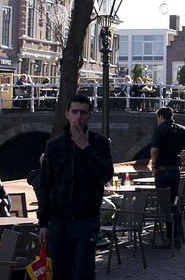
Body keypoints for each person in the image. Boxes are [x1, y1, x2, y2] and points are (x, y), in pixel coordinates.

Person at [38, 94, 113, 279]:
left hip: (86, 218)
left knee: (84, 271)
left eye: (83, 113)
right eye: (74, 112)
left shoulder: (100, 143)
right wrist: (43, 223)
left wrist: (86, 147)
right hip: (60, 219)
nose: (78, 117)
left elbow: (106, 174)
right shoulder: (54, 146)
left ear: (89, 116)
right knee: (61, 271)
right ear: (67, 114)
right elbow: (46, 185)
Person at [149, 106, 185, 248]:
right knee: (174, 203)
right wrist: (181, 159)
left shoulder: (159, 130)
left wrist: (154, 163)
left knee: (165, 205)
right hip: (175, 171)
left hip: (162, 171)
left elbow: (154, 149)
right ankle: (176, 235)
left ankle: (170, 238)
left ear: (160, 117)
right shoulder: (181, 129)